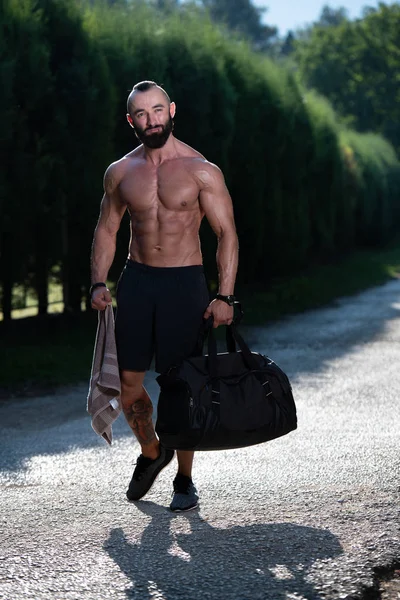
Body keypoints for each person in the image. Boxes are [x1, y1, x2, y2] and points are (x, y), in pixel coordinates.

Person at [90, 80, 239, 512]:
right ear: (131, 120)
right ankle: (153, 451)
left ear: (171, 110)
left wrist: (224, 296)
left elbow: (226, 234)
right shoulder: (120, 172)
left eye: (158, 110)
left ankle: (185, 480)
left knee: (180, 387)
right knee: (128, 383)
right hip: (137, 282)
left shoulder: (200, 169)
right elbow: (107, 229)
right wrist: (99, 282)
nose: (151, 120)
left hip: (184, 284)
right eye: (142, 114)